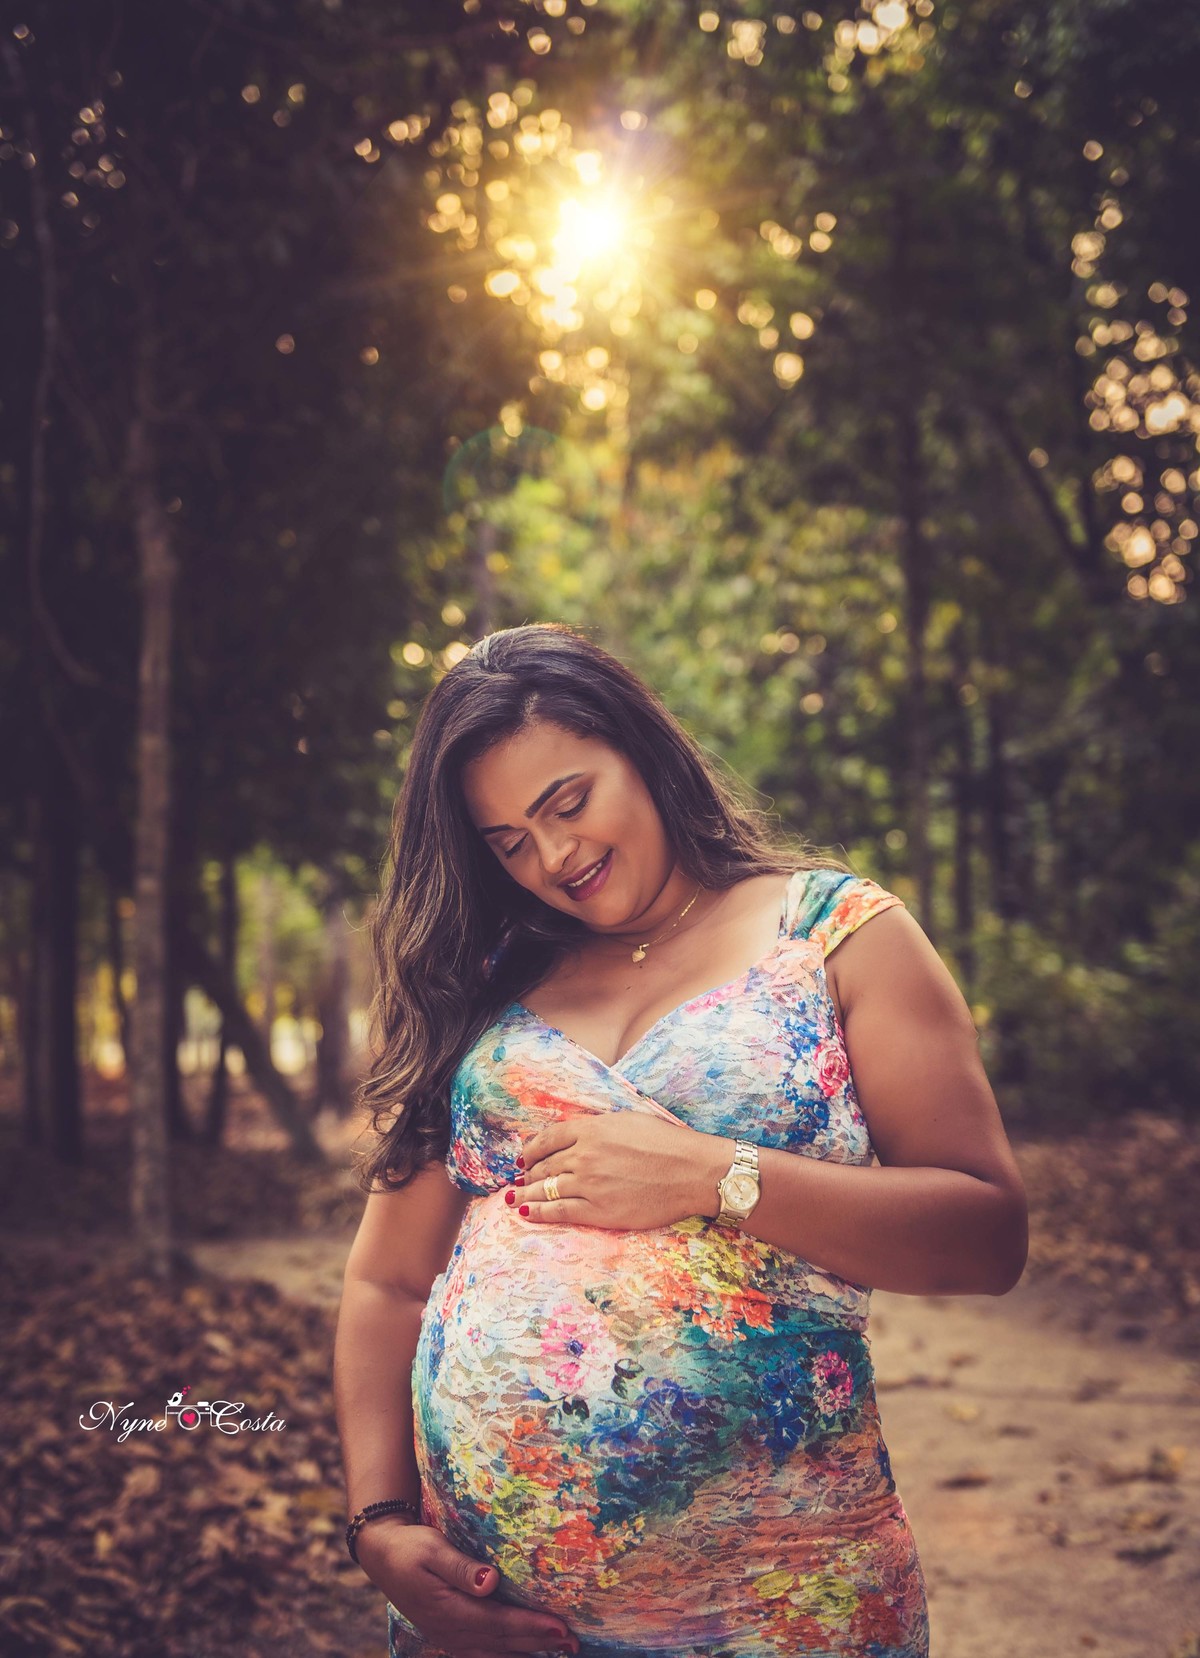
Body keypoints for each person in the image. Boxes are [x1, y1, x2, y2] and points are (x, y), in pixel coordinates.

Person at [333, 621, 1028, 1658]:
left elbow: (987, 1233)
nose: (556, 854)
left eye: (569, 800)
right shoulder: (483, 987)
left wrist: (716, 1175)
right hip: (495, 1618)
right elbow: (387, 1281)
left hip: (780, 1607)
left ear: (643, 750)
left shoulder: (833, 935)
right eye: (510, 841)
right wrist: (381, 1521)